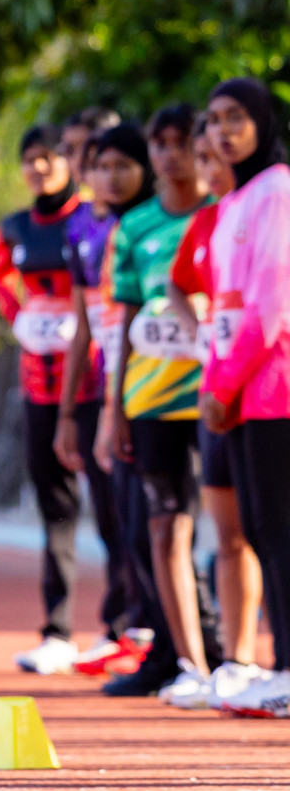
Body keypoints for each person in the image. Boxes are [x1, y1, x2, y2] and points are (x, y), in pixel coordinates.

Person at [104, 106, 223, 703]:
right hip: (149, 398)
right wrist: (112, 407)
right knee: (164, 525)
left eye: (183, 143)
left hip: (220, 395)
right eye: (162, 144)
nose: (171, 155)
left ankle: (248, 663)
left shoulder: (224, 215)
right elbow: (122, 320)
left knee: (241, 527)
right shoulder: (135, 227)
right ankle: (194, 666)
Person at [0, 124, 102, 674]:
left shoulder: (90, 219)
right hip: (39, 383)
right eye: (29, 160)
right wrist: (18, 314)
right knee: (55, 506)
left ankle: (130, 627)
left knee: (116, 502)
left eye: (48, 157)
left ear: (68, 162)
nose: (39, 168)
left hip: (98, 380)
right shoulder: (15, 226)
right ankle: (58, 631)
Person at [162, 116, 264, 709]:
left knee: (269, 533)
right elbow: (178, 285)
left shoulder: (266, 207)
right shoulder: (205, 223)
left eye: (216, 153)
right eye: (201, 156)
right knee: (229, 537)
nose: (209, 165)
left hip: (265, 395)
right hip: (217, 391)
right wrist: (200, 325)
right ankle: (239, 659)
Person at [199, 77, 290, 718]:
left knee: (279, 531)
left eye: (235, 118)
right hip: (240, 392)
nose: (222, 131)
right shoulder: (234, 202)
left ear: (262, 122)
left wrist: (224, 383)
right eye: (213, 121)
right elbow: (223, 313)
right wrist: (218, 384)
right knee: (263, 530)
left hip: (275, 387)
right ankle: (279, 661)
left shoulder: (279, 190)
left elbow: (271, 303)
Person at [51, 127, 141, 676]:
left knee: (153, 517)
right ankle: (128, 626)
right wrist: (68, 409)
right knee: (116, 517)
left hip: (149, 389)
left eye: (110, 159)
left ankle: (163, 634)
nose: (97, 171)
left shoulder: (137, 225)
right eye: (88, 159)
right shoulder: (81, 230)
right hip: (104, 389)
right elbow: (86, 325)